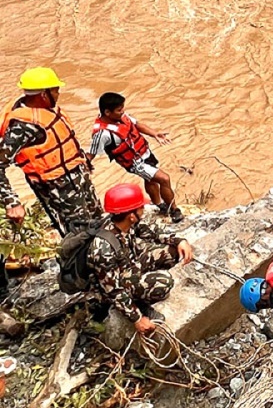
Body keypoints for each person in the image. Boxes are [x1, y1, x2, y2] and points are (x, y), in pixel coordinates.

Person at [0, 68, 102, 235]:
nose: (59, 94)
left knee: (98, 220)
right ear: (43, 95)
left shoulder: (47, 109)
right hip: (58, 190)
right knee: (81, 235)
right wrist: (12, 202)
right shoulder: (22, 127)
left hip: (78, 178)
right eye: (55, 90)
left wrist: (84, 163)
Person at [88, 183, 194, 335]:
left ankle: (140, 290)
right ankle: (140, 303)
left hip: (130, 266)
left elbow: (152, 232)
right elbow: (113, 291)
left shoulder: (124, 220)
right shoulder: (103, 250)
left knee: (172, 252)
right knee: (164, 282)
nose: (143, 210)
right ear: (132, 215)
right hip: (114, 285)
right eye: (141, 208)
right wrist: (137, 318)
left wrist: (178, 240)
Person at [88, 92, 182, 223]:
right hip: (135, 163)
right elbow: (91, 153)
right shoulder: (102, 134)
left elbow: (137, 125)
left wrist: (154, 134)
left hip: (145, 152)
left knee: (151, 180)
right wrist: (84, 166)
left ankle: (159, 205)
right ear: (107, 112)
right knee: (164, 179)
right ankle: (174, 210)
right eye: (119, 110)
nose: (123, 111)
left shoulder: (121, 117)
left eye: (122, 108)